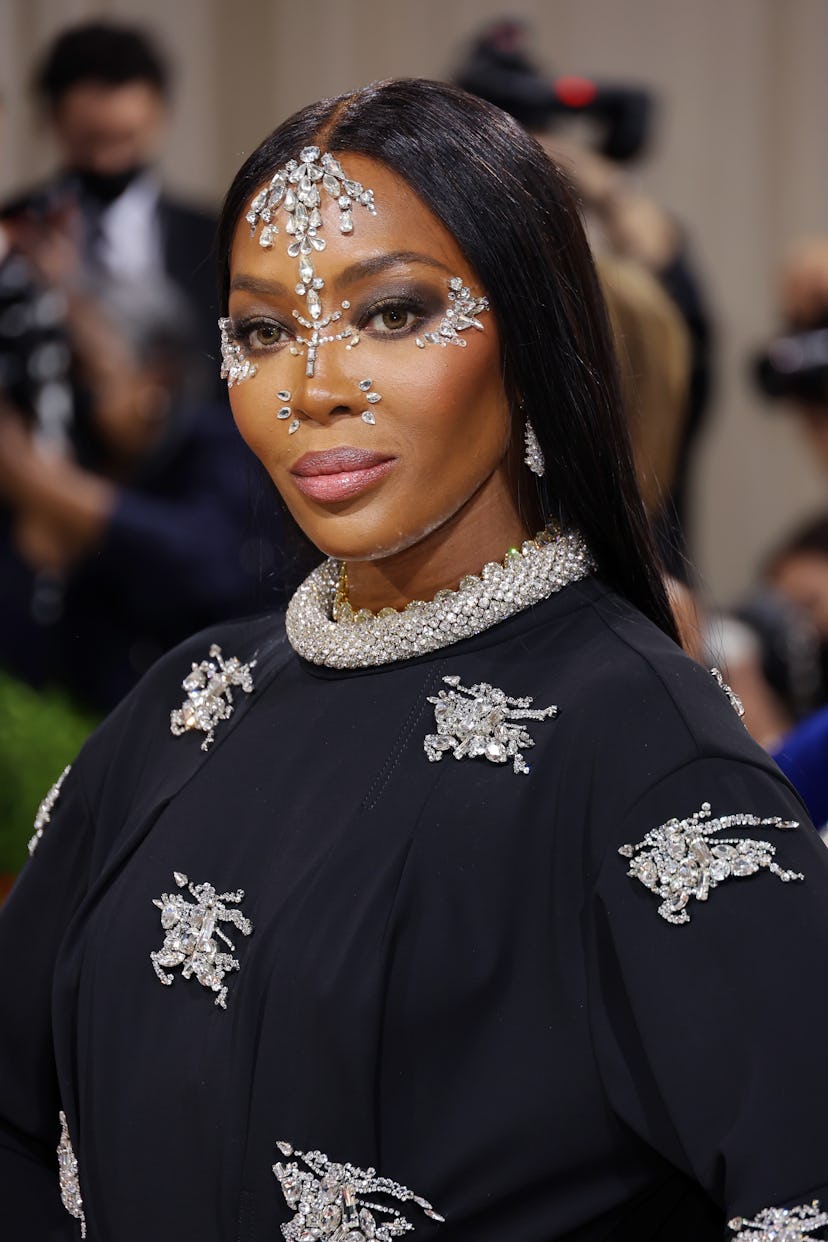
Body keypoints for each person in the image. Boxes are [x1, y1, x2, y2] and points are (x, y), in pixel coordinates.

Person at [1, 78, 827, 1242]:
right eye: (262, 331)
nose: (314, 386)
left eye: (391, 314)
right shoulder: (186, 709)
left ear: (531, 338)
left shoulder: (649, 755)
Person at [1, 20, 219, 386]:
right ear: (53, 120)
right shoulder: (15, 228)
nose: (107, 162)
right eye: (90, 140)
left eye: (125, 139)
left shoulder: (212, 237)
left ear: (158, 117)